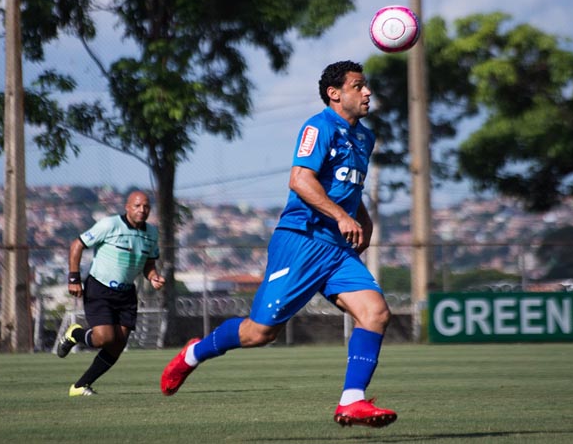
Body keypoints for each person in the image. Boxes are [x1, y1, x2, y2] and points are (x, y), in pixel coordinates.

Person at [160, 60, 396, 428]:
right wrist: (341, 216)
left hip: (335, 249)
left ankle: (352, 401)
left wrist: (360, 218)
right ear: (335, 94)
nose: (367, 92)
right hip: (300, 240)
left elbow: (349, 186)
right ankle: (194, 353)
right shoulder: (319, 127)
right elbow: (301, 180)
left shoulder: (365, 137)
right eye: (358, 86)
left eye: (366, 86)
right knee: (260, 333)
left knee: (376, 313)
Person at [57, 190, 166, 396]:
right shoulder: (110, 225)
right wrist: (73, 278)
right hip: (100, 288)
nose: (142, 210)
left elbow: (149, 263)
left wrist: (153, 276)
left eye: (146, 207)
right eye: (137, 206)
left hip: (126, 294)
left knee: (117, 345)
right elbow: (77, 245)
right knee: (104, 338)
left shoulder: (151, 233)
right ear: (127, 207)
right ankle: (75, 334)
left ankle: (80, 387)